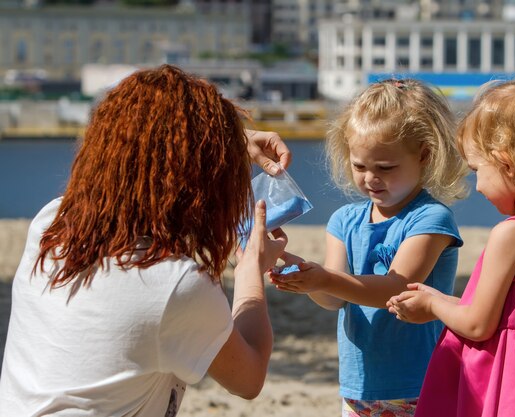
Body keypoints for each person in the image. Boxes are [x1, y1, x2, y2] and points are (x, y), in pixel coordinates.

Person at [0, 64, 291, 416]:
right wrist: (249, 271)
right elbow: (249, 377)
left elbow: (144, 148)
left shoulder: (52, 224)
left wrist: (223, 142)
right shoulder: (173, 284)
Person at [387, 75, 515, 417]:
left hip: (514, 376)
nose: (479, 186)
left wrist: (433, 307)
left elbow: (477, 325)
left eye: (477, 170)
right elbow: (507, 312)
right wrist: (437, 296)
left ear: (506, 164)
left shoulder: (511, 233)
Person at [270, 78, 468, 417]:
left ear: (425, 155)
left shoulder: (430, 219)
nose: (370, 178)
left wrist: (324, 280)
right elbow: (333, 297)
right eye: (359, 166)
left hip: (418, 382)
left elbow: (396, 288)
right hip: (358, 384)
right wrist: (305, 277)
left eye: (385, 168)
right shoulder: (344, 221)